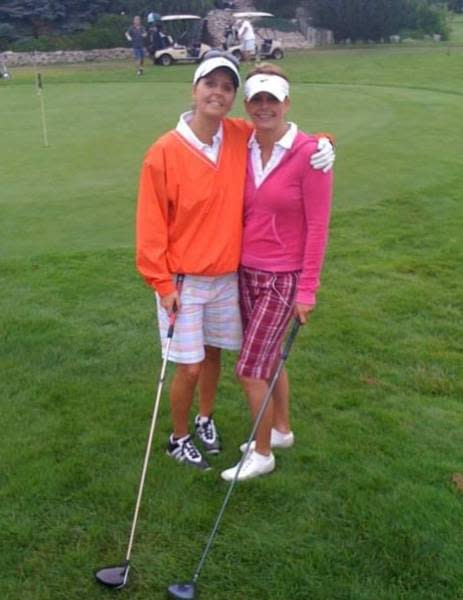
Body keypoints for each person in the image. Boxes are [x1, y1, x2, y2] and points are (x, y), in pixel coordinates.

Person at [136, 51, 335, 471]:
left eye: (227, 87)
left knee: (214, 358)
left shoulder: (238, 136)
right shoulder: (164, 152)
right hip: (183, 280)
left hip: (228, 276)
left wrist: (325, 142)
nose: (219, 94)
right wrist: (162, 283)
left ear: (233, 99)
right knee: (189, 367)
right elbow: (150, 225)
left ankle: (206, 419)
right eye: (212, 84)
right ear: (195, 89)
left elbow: (284, 134)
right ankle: (178, 438)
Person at [221, 64, 333, 482]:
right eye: (256, 99)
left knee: (249, 368)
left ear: (286, 102)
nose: (264, 107)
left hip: (283, 278)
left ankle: (263, 453)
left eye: (272, 99)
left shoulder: (311, 154)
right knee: (268, 361)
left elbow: (319, 226)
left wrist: (308, 289)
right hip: (246, 271)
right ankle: (281, 430)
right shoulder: (244, 143)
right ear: (247, 104)